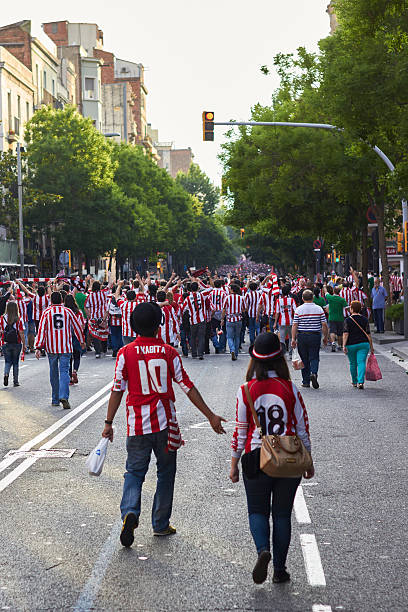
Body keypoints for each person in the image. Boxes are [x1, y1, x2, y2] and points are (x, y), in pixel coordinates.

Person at [101, 302, 226, 547]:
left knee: (134, 472)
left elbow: (117, 390)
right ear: (160, 324)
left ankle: (130, 511)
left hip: (137, 424)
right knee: (166, 473)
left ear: (134, 326)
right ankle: (160, 523)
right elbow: (187, 386)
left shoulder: (125, 354)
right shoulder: (168, 352)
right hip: (165, 423)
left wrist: (108, 422)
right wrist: (210, 415)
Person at [229, 332, 313, 585]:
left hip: (256, 456)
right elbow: (302, 427)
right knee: (282, 514)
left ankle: (262, 549)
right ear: (280, 359)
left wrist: (234, 463)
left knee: (257, 510)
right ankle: (279, 569)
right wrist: (308, 460)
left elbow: (240, 430)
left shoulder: (246, 389)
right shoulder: (290, 387)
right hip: (287, 456)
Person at [35, 292, 85, 409]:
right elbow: (77, 327)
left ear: (51, 301)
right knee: (64, 372)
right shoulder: (68, 311)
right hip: (65, 347)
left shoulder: (46, 313)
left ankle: (55, 398)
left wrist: (38, 347)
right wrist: (82, 341)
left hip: (51, 347)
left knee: (53, 372)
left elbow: (41, 330)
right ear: (61, 300)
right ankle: (64, 396)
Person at [291, 289, 329, 389]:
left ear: (302, 298)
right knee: (314, 356)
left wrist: (293, 338)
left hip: (302, 335)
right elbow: (324, 324)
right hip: (315, 335)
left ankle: (306, 381)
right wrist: (325, 337)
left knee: (304, 358)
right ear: (312, 298)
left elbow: (295, 324)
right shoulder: (319, 309)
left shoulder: (298, 309)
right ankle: (314, 373)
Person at [343, 301, 374, 389]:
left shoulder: (347, 320)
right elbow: (368, 334)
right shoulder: (365, 319)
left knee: (352, 363)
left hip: (351, 344)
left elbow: (346, 333)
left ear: (351, 309)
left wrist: (344, 345)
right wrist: (371, 346)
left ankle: (354, 381)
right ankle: (361, 381)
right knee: (361, 362)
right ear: (360, 309)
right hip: (363, 344)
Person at [0, 301, 25, 387]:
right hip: (16, 342)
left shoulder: (2, 318)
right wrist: (24, 344)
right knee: (15, 362)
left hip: (5, 342)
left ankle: (6, 374)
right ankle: (15, 381)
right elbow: (21, 332)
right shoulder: (18, 319)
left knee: (7, 361)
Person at [221, 284, 245, 361]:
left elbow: (224, 309)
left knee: (230, 337)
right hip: (238, 319)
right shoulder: (241, 298)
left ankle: (232, 350)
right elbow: (244, 309)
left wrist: (222, 319)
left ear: (231, 290)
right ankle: (236, 353)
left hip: (229, 319)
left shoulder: (227, 298)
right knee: (237, 337)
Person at [274, 285, 296, 357]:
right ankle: (290, 353)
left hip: (282, 322)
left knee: (282, 339)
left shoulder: (278, 301)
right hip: (291, 322)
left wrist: (275, 323)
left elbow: (277, 312)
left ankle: (282, 354)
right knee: (291, 338)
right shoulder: (292, 300)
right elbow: (295, 311)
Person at [324, 286, 348, 352]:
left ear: (334, 291)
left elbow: (326, 292)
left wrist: (324, 286)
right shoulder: (342, 299)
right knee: (340, 333)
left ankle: (333, 342)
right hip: (340, 318)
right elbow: (347, 307)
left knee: (332, 331)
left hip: (331, 317)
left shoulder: (330, 297)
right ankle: (340, 345)